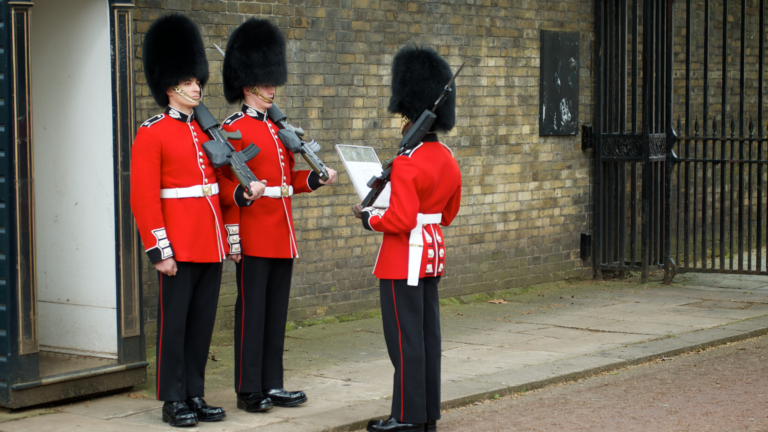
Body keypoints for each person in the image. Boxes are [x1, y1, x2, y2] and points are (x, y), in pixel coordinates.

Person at [216, 18, 338, 413]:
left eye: (273, 83)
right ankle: (248, 388)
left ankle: (272, 383)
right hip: (254, 234)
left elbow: (288, 182)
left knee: (275, 315)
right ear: (247, 87)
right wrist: (234, 237)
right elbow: (227, 188)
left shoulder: (278, 129)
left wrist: (317, 178)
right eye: (265, 84)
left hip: (282, 234)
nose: (272, 89)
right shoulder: (233, 130)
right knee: (252, 315)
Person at [354, 45, 462, 432]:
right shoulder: (447, 158)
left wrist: (369, 218)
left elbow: (399, 219)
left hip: (403, 259)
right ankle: (426, 416)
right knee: (427, 337)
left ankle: (406, 417)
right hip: (432, 254)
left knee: (403, 341)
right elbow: (447, 214)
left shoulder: (406, 162)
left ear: (408, 117)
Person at [130, 14, 228, 427]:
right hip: (179, 244)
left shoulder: (207, 133)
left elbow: (218, 187)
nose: (197, 88)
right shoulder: (151, 132)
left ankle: (194, 393)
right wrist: (160, 250)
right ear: (171, 86)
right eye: (189, 82)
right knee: (175, 326)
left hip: (209, 241)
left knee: (202, 324)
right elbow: (143, 198)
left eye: (197, 81)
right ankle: (172, 399)